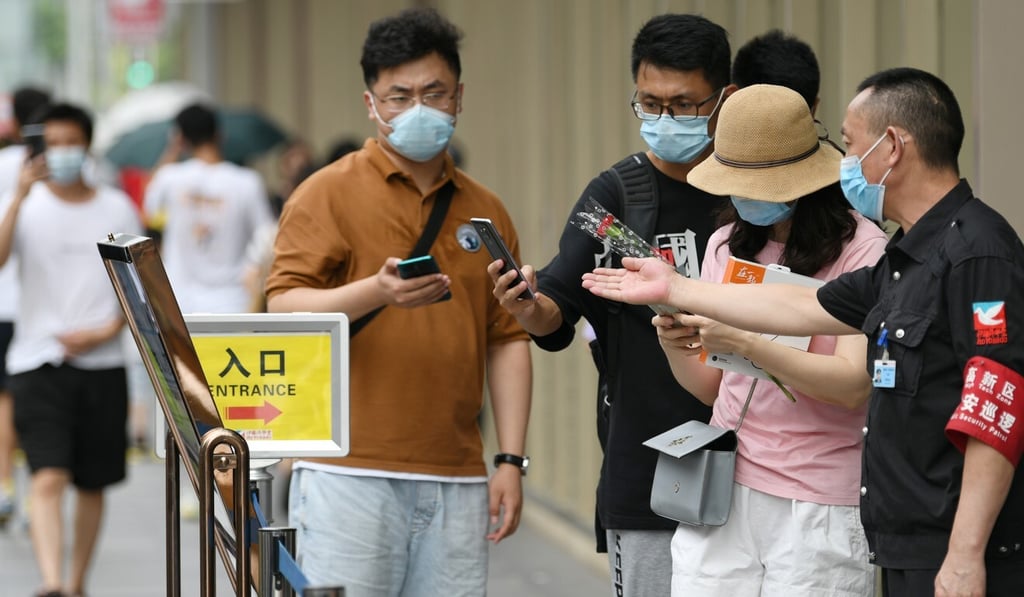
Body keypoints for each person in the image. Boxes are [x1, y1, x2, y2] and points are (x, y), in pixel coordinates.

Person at [583, 67, 1024, 597]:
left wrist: (965, 553)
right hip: (887, 521)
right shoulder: (908, 256)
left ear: (892, 148)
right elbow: (803, 305)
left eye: (852, 143)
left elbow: (996, 409)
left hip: (892, 519)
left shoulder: (976, 251)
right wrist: (675, 291)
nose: (846, 161)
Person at [265, 8, 532, 596]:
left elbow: (508, 338)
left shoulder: (485, 208)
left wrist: (510, 460)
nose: (417, 109)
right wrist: (376, 291)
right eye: (399, 95)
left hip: (458, 476)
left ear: (459, 97)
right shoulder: (326, 193)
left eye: (433, 92)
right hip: (347, 474)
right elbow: (282, 309)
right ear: (371, 104)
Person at [487, 14, 733, 595]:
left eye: (684, 104)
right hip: (653, 472)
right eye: (649, 102)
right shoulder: (616, 198)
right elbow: (557, 309)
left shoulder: (758, 193)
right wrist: (527, 306)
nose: (665, 119)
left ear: (725, 99)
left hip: (761, 467)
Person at [653, 84, 887, 596]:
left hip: (818, 498)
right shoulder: (724, 243)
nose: (742, 198)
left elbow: (853, 386)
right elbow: (714, 388)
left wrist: (748, 342)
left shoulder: (863, 251)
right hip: (722, 481)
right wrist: (677, 341)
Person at [0, 102, 141, 597]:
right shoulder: (25, 205)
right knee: (47, 475)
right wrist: (16, 197)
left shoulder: (117, 208)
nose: (61, 152)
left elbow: (139, 283)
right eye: (51, 143)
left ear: (86, 145)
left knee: (92, 482)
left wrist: (109, 330)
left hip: (102, 364)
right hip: (37, 361)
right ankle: (52, 582)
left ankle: (77, 580)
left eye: (70, 142)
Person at [143, 102, 273, 314]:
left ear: (181, 139)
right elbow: (266, 234)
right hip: (232, 300)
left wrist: (171, 151)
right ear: (219, 135)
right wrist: (254, 270)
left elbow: (150, 207)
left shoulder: (169, 178)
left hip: (179, 300)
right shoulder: (247, 181)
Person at [0, 86, 50, 527]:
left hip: (5, 306)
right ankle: (38, 489)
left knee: (3, 401)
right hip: (39, 309)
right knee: (32, 403)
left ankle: (5, 485)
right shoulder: (55, 170)